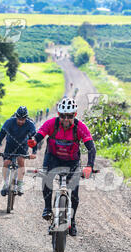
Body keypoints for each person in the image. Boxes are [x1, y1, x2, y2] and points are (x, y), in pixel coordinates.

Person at [28, 96, 96, 237]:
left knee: (75, 195)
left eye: (69, 116)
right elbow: (39, 135)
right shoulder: (51, 123)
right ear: (58, 114)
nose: (65, 119)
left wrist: (89, 166)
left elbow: (91, 148)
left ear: (75, 115)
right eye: (63, 116)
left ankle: (72, 220)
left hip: (72, 162)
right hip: (52, 158)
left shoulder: (80, 127)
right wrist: (33, 141)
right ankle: (47, 208)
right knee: (46, 177)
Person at [0, 106, 37, 196]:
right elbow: (1, 135)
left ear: (26, 118)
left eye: (23, 119)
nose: (20, 121)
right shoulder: (9, 122)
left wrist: (34, 152)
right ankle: (5, 184)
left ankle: (20, 184)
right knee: (6, 163)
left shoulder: (30, 124)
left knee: (21, 161)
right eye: (19, 119)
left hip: (23, 145)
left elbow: (34, 138)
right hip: (10, 145)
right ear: (16, 116)